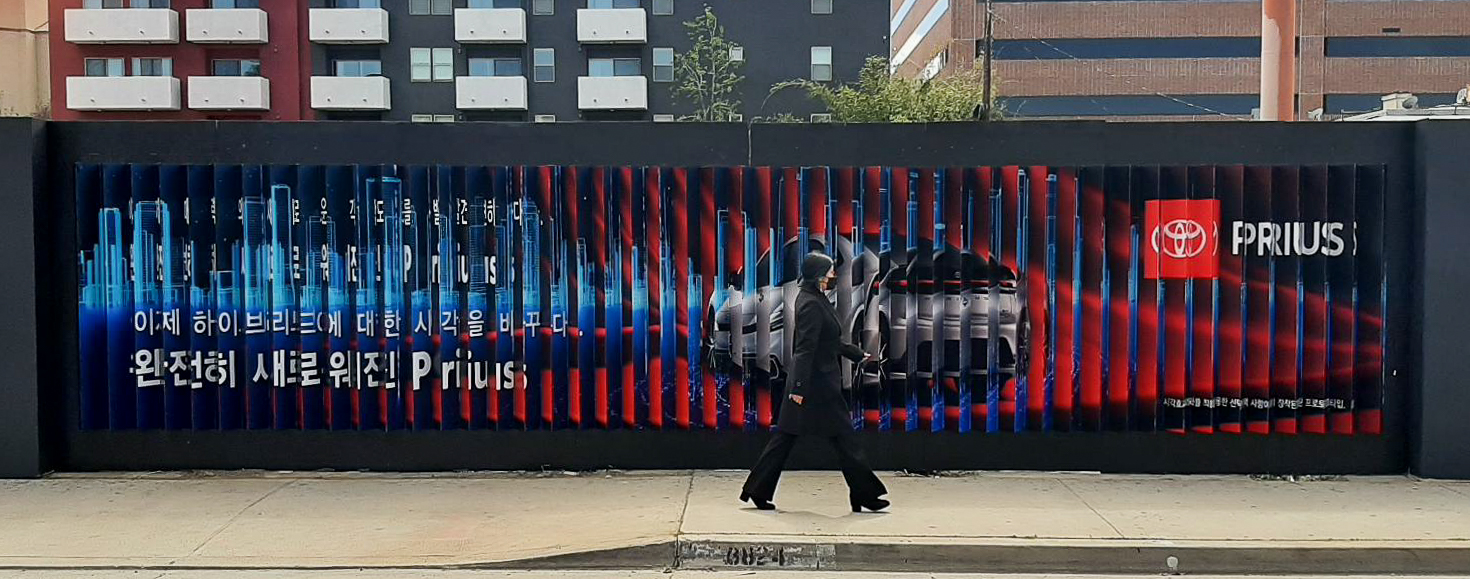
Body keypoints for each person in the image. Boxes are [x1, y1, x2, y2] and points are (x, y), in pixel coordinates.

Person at [739, 251, 890, 513]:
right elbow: (805, 349)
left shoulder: (816, 299)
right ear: (819, 275)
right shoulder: (810, 303)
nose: (833, 275)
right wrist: (797, 389)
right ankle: (864, 495)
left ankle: (758, 490)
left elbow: (827, 341)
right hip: (815, 387)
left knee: (795, 440)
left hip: (817, 384)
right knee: (838, 440)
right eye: (830, 271)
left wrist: (855, 354)